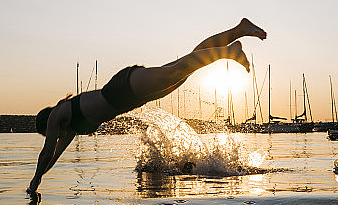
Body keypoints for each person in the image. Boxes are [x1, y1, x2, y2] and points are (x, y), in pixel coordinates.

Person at [28, 18, 267, 193]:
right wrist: (39, 179)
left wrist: (33, 182)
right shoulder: (69, 129)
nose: (53, 135)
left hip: (121, 87)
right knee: (186, 67)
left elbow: (46, 153)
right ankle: (239, 30)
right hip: (131, 99)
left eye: (49, 133)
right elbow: (53, 158)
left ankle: (228, 52)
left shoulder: (57, 115)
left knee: (178, 69)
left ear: (46, 122)